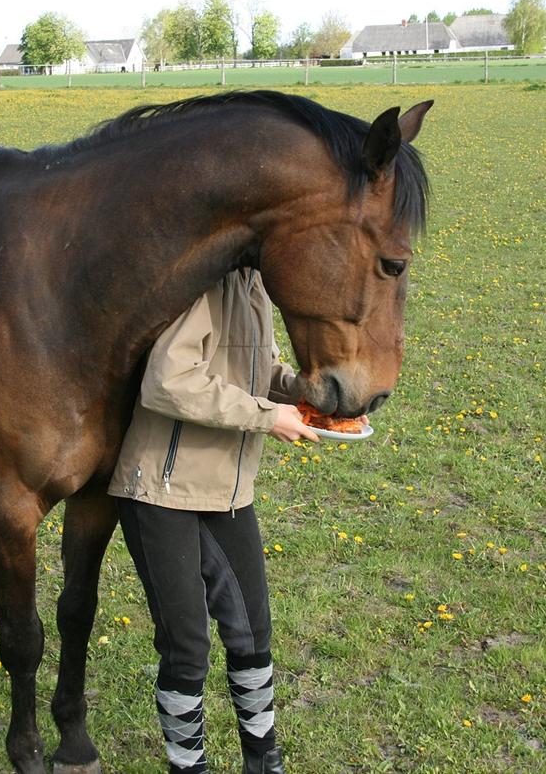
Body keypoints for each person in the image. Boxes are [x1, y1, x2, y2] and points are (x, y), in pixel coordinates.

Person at [108, 266, 321, 774]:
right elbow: (167, 381)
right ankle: (188, 766)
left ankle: (263, 762)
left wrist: (305, 393)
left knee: (253, 635)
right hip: (159, 489)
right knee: (188, 648)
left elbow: (257, 371)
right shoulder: (202, 284)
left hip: (227, 491)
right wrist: (268, 417)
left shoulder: (254, 286)